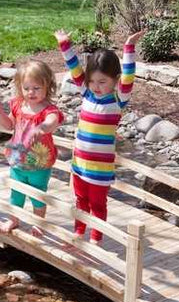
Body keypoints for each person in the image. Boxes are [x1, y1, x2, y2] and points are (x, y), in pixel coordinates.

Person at [54, 29, 145, 245]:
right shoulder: (86, 93)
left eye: (102, 82)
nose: (96, 86)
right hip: (79, 162)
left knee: (97, 203)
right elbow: (74, 68)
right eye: (92, 81)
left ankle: (96, 237)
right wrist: (64, 44)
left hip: (99, 168)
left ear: (115, 80)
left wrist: (129, 47)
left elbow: (129, 76)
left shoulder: (117, 100)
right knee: (80, 200)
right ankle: (79, 231)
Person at [0, 60, 64, 237]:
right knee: (16, 193)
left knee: (38, 196)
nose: (31, 93)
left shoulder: (49, 110)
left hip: (39, 162)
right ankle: (14, 219)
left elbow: (52, 122)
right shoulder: (17, 105)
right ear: (20, 87)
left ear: (48, 86)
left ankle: (39, 223)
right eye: (27, 88)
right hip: (17, 159)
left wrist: (43, 128)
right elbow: (9, 126)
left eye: (36, 88)